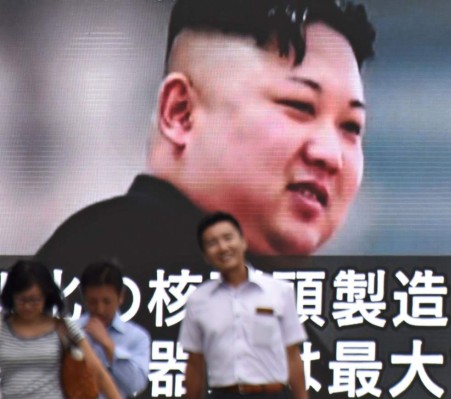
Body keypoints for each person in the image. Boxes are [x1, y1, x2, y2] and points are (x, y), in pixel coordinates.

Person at [35, 0, 376, 275]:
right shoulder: (121, 265)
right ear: (180, 112)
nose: (331, 155)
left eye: (351, 127)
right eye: (299, 106)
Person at [179, 211, 308, 399]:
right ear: (205, 255)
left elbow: (292, 354)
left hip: (272, 393)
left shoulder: (279, 291)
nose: (223, 248)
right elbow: (195, 363)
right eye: (212, 243)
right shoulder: (198, 300)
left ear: (243, 242)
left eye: (228, 238)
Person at [0, 260, 120, 399]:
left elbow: (98, 371)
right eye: (22, 300)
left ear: (46, 296)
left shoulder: (63, 326)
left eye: (34, 300)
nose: (27, 306)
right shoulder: (2, 326)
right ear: (11, 296)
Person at [78, 260, 151, 398]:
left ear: (121, 297)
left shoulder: (137, 337)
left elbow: (136, 385)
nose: (100, 309)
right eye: (93, 302)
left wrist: (109, 346)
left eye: (107, 301)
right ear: (84, 297)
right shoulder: (70, 331)